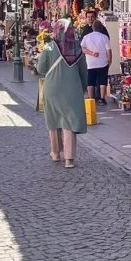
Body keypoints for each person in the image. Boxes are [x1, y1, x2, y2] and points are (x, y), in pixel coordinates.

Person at [36, 19, 88, 169]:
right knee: (69, 122)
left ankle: (55, 153)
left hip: (52, 89)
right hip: (72, 90)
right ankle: (69, 159)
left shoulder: (49, 47)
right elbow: (84, 72)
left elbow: (41, 69)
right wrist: (82, 88)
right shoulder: (78, 49)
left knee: (53, 121)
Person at [80, 20, 112, 105]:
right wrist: (109, 60)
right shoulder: (104, 37)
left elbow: (82, 49)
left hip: (90, 63)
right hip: (103, 62)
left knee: (90, 81)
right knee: (102, 80)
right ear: (101, 28)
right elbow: (108, 50)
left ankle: (91, 98)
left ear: (93, 27)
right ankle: (102, 98)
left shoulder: (86, 37)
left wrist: (91, 53)